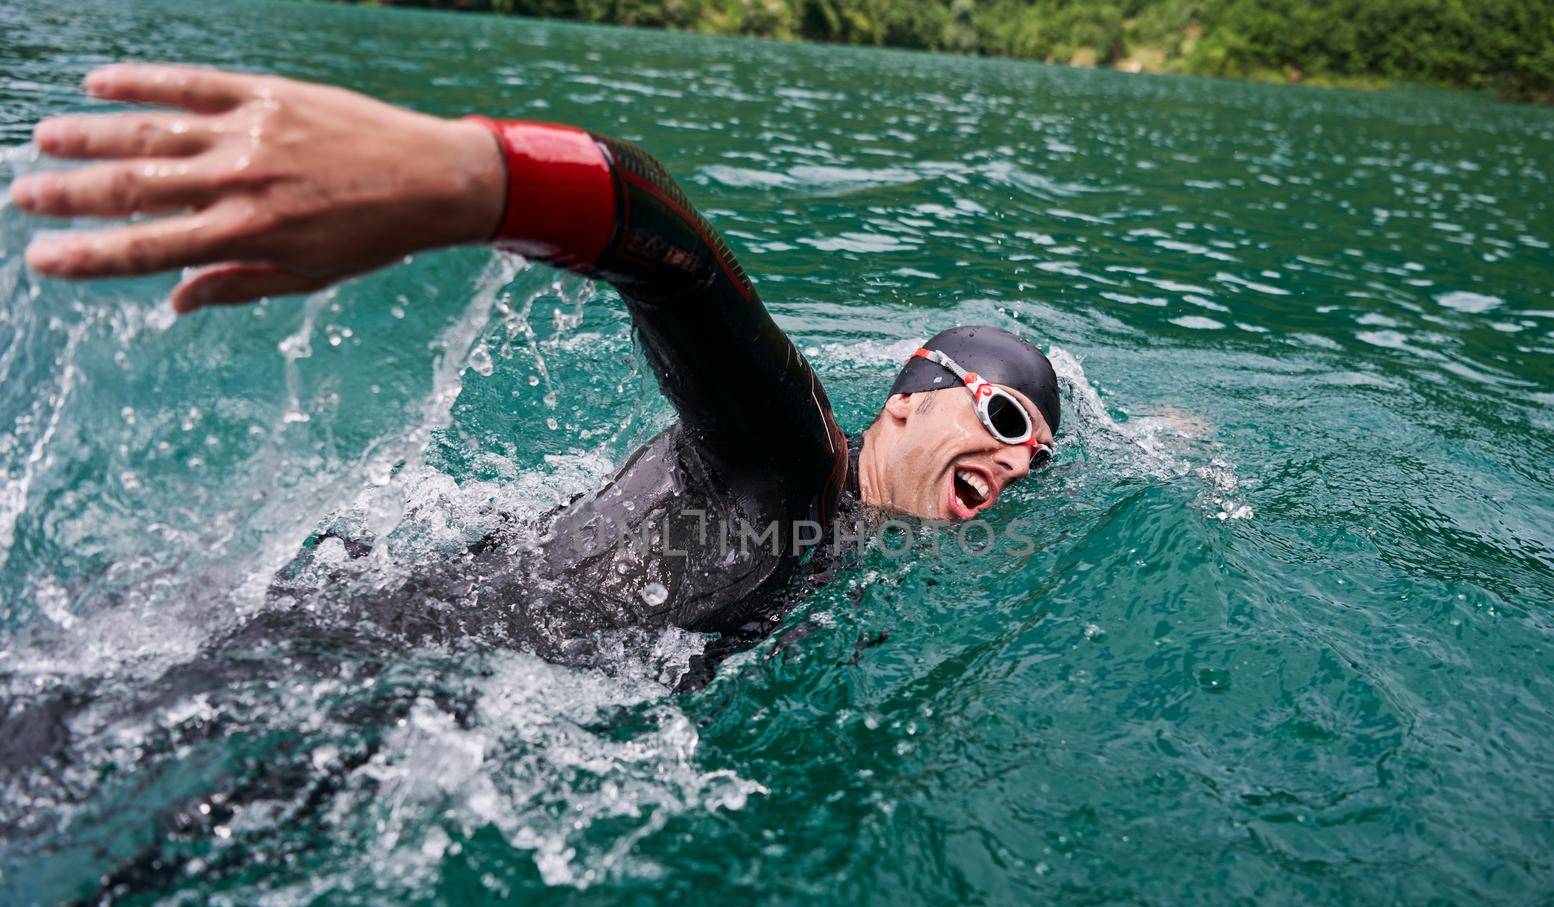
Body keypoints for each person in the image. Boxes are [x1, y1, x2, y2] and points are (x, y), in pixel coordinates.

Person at [8, 64, 1063, 659]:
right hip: (360, 666)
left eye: (1039, 456)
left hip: (392, 643)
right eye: (1005, 420)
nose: (1017, 463)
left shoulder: (835, 531)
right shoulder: (793, 459)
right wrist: (463, 176)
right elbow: (682, 265)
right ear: (911, 399)